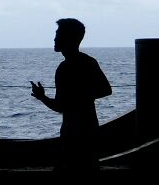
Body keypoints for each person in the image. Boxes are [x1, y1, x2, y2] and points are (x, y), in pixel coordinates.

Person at [30, 18, 112, 174]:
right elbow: (106, 90)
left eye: (58, 34)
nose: (54, 38)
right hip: (90, 131)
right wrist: (83, 96)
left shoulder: (64, 68)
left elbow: (60, 106)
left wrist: (42, 97)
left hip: (72, 134)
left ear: (69, 38)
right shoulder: (88, 62)